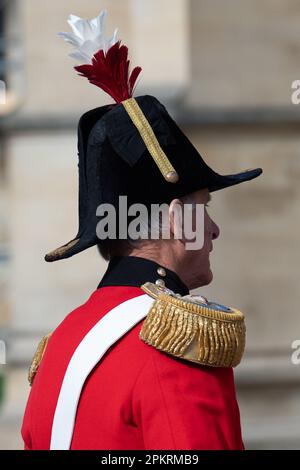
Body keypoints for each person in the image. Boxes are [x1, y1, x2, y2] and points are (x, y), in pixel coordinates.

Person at [21, 10, 262, 450]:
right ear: (175, 220)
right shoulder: (176, 346)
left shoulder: (60, 343)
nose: (214, 229)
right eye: (202, 209)